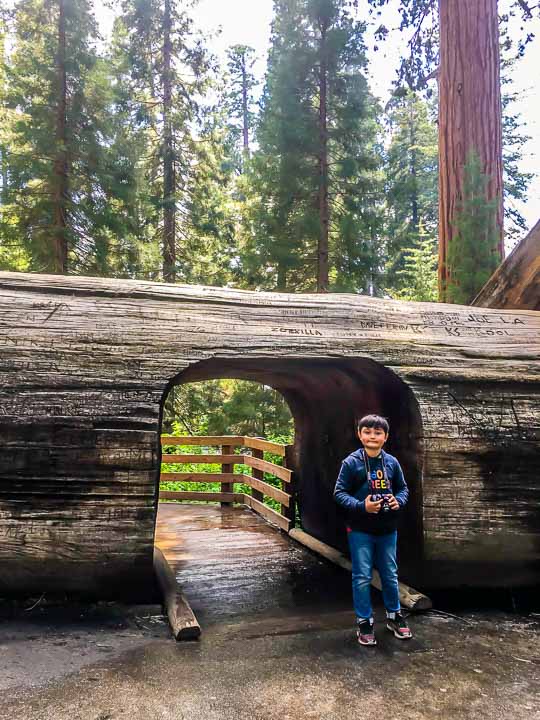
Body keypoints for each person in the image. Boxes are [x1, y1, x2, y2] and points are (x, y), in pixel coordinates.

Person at [333, 414, 412, 646]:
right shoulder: (351, 463)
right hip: (360, 529)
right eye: (367, 432)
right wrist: (362, 506)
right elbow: (339, 493)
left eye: (378, 433)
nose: (372, 436)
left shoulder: (392, 463)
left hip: (388, 528)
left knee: (389, 573)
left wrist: (399, 500)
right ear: (359, 434)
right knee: (362, 576)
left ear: (385, 437)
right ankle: (364, 621)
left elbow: (403, 489)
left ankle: (394, 616)